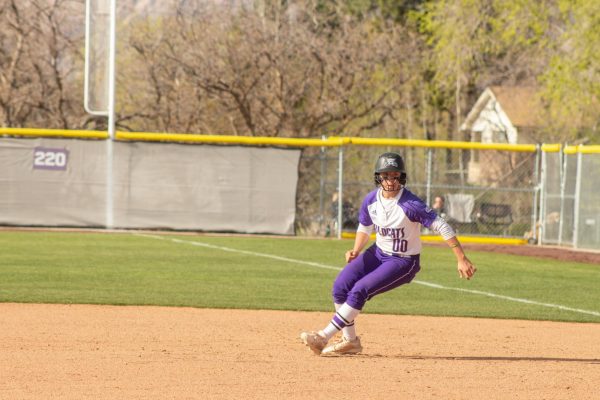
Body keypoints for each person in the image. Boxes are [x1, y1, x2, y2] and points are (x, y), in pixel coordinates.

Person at [300, 152, 477, 356]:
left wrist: (461, 258)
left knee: (359, 290)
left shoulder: (411, 204)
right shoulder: (371, 200)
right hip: (378, 252)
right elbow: (365, 227)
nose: (391, 181)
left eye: (395, 176)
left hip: (403, 261)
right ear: (378, 178)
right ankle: (350, 341)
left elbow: (442, 226)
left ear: (401, 178)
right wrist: (356, 250)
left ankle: (323, 337)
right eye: (386, 176)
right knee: (340, 287)